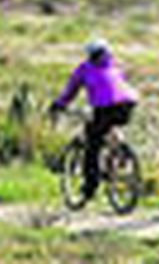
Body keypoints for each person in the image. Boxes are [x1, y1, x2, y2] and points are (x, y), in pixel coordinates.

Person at [50, 39, 140, 205]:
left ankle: (90, 186)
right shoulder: (115, 65)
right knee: (111, 125)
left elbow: (71, 91)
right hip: (128, 103)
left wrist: (59, 104)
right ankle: (119, 153)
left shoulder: (85, 69)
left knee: (92, 145)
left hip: (105, 107)